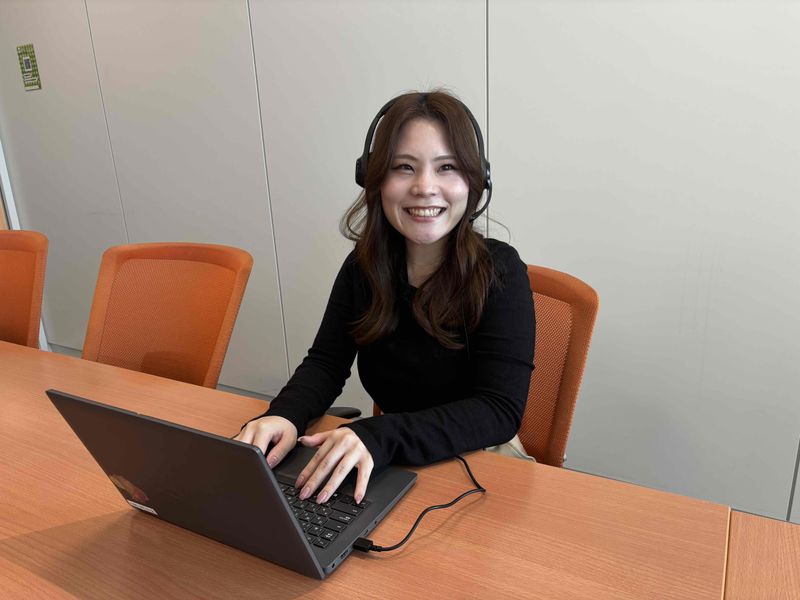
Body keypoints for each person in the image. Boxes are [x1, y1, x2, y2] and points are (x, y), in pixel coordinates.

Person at [235, 90, 535, 506]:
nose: (424, 187)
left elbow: (498, 410)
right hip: (394, 458)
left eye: (447, 167)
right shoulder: (364, 267)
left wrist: (379, 436)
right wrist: (284, 415)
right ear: (374, 179)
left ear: (474, 179)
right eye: (404, 167)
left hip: (481, 461)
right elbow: (326, 363)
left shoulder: (500, 271)